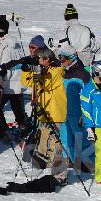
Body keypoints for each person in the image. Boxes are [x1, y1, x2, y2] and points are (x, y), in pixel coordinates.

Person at [32, 48, 68, 184]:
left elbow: (47, 84)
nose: (37, 61)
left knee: (56, 144)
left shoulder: (57, 70)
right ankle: (43, 165)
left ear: (47, 59)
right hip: (44, 111)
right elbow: (28, 83)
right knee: (43, 140)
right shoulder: (42, 70)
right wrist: (28, 70)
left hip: (55, 113)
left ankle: (60, 176)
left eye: (39, 59)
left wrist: (39, 74)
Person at [58, 44, 91, 168]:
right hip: (65, 112)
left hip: (77, 113)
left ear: (71, 58)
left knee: (80, 138)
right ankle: (70, 160)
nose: (61, 62)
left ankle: (85, 162)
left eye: (63, 59)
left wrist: (84, 114)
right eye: (60, 58)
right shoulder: (66, 72)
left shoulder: (82, 74)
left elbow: (89, 97)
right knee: (66, 138)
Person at [0, 16, 28, 131]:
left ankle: (2, 132)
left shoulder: (4, 49)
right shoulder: (16, 45)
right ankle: (25, 128)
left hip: (7, 86)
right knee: (18, 110)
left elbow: (3, 70)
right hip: (18, 84)